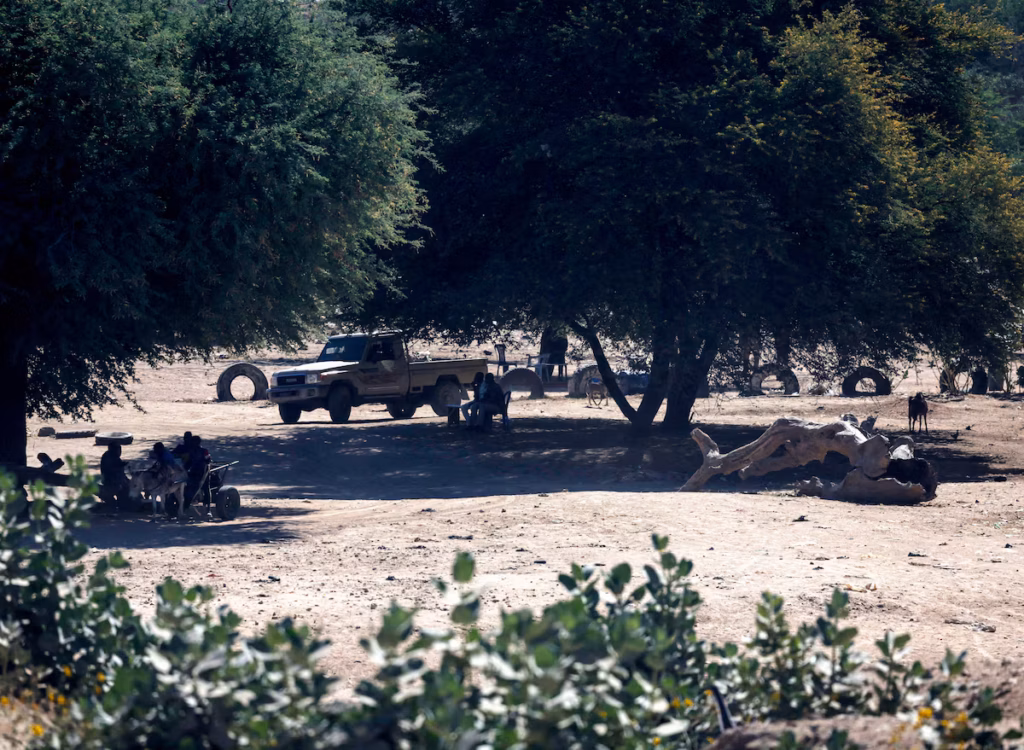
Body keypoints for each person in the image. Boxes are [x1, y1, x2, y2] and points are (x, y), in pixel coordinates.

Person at [99, 444, 129, 509]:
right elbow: (112, 470)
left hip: (117, 483)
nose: (120, 452)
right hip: (110, 483)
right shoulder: (108, 458)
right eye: (119, 450)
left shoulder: (115, 458)